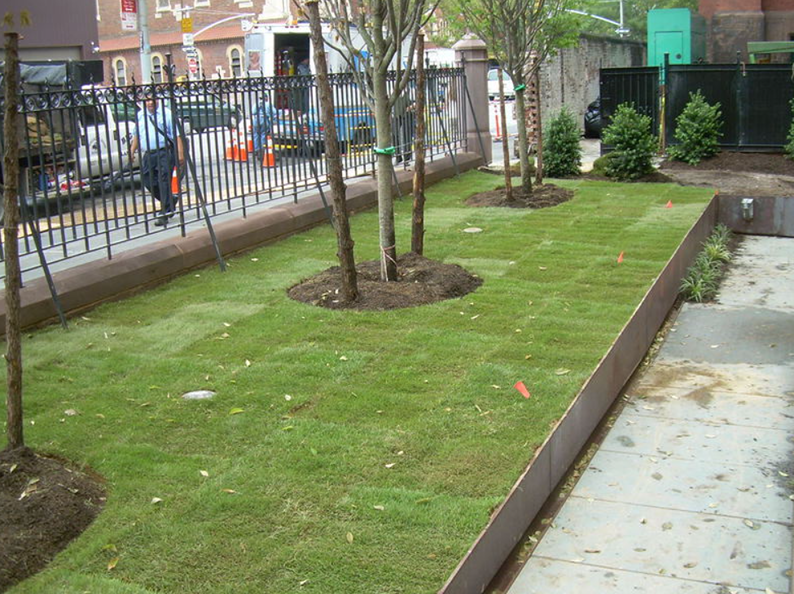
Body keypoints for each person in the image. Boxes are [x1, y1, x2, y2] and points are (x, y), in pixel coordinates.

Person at [129, 98, 184, 226]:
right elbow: (136, 134)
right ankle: (170, 201)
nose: (150, 103)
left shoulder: (167, 114)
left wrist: (180, 154)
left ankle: (164, 212)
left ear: (158, 100)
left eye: (153, 99)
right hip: (149, 153)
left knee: (163, 180)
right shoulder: (141, 115)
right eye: (147, 100)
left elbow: (177, 135)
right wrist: (132, 150)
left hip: (164, 151)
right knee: (147, 180)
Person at [252, 93, 277, 163]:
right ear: (266, 98)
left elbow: (253, 112)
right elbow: (274, 112)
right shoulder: (268, 104)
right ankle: (262, 150)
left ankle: (256, 149)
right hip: (264, 120)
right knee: (263, 134)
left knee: (256, 135)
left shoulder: (256, 104)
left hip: (256, 120)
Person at [392, 92, 416, 164]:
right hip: (396, 116)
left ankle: (407, 158)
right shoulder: (394, 92)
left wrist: (411, 107)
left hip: (407, 115)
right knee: (394, 135)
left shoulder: (409, 92)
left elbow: (417, 102)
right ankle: (398, 156)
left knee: (407, 136)